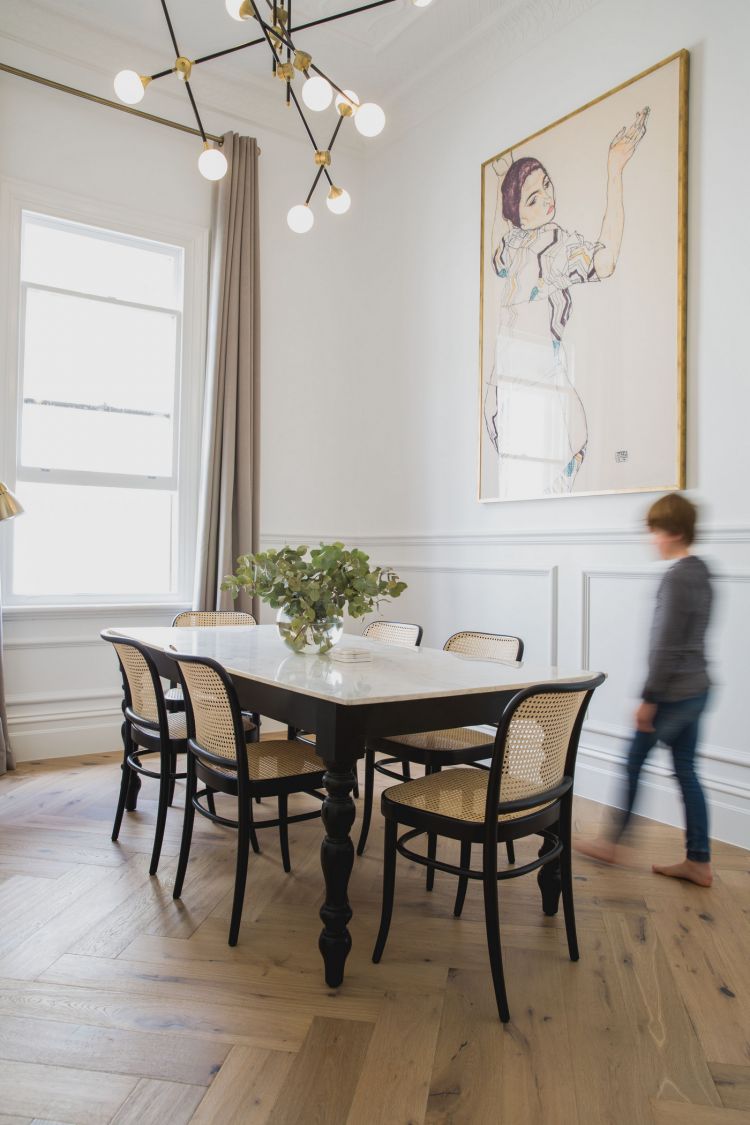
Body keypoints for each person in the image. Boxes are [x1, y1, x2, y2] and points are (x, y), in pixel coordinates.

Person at [484, 107, 649, 499]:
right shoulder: (512, 246)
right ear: (517, 214)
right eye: (533, 198)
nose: (547, 200)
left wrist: (615, 171)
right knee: (532, 461)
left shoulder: (557, 246)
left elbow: (605, 260)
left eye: (547, 186)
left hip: (535, 371)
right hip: (510, 376)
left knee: (565, 453)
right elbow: (499, 239)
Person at [579, 493, 714, 886]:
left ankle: (611, 843)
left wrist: (649, 700)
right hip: (699, 688)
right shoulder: (703, 570)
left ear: (671, 531)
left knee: (632, 763)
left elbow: (666, 647)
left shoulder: (675, 579)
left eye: (653, 530)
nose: (650, 539)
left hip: (672, 695)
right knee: (687, 771)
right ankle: (699, 861)